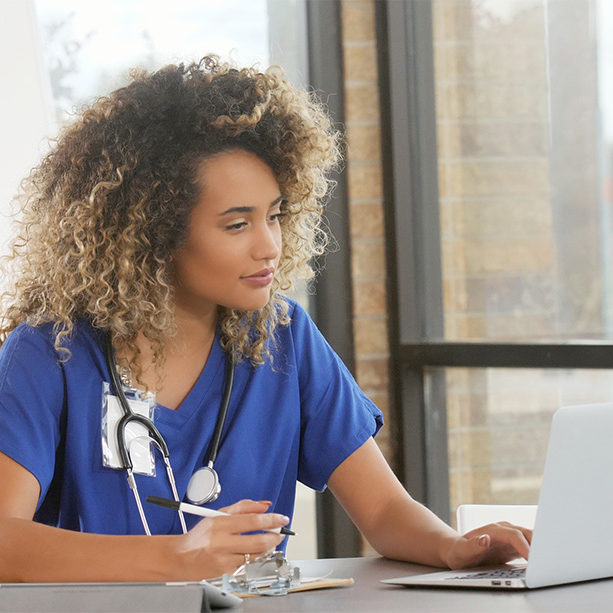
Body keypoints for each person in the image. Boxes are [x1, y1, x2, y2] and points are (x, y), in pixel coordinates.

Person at [0, 56, 531, 582]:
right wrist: (178, 558)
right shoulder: (49, 352)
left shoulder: (283, 337)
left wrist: (455, 547)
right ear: (153, 236)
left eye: (274, 216)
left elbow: (386, 513)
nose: (270, 246)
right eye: (236, 225)